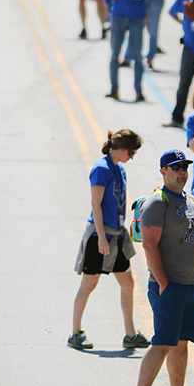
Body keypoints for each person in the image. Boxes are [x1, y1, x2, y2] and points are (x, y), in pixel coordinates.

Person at [125, 150, 194, 386]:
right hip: (170, 287)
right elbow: (149, 245)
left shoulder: (191, 200)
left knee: (181, 343)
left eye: (184, 167)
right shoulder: (156, 203)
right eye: (175, 168)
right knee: (162, 343)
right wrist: (163, 283)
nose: (181, 172)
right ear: (163, 171)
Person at [71, 129, 148, 351]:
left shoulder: (120, 169)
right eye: (131, 153)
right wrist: (102, 238)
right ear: (121, 149)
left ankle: (130, 333)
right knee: (89, 284)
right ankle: (75, 333)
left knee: (128, 283)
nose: (131, 157)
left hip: (117, 234)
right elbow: (96, 204)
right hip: (100, 235)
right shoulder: (101, 169)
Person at [103, 0, 153, 101]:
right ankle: (114, 88)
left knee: (138, 55)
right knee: (114, 54)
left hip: (137, 16)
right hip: (119, 15)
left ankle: (138, 90)